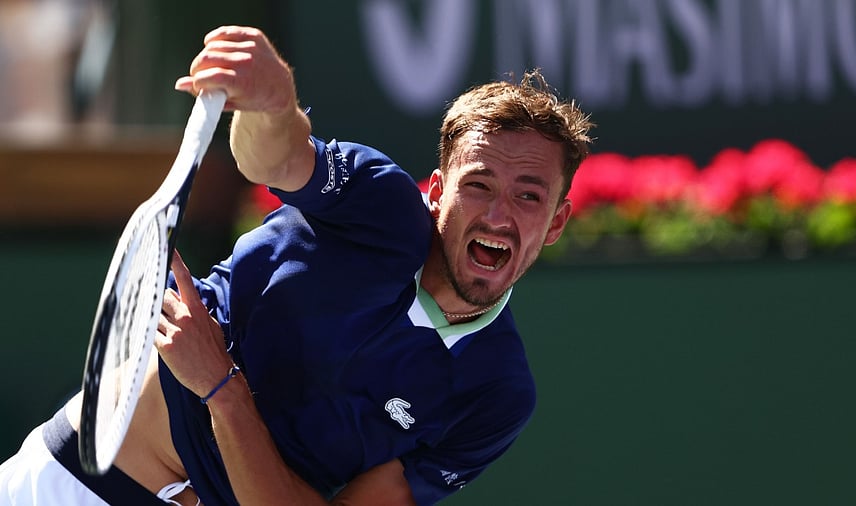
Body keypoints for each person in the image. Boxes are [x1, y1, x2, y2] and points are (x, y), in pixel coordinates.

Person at [0, 25, 593, 505]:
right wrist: (272, 102)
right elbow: (277, 156)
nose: (498, 213)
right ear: (436, 191)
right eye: (479, 184)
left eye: (528, 195)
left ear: (557, 221)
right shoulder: (380, 204)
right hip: (67, 486)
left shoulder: (496, 392)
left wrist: (222, 389)